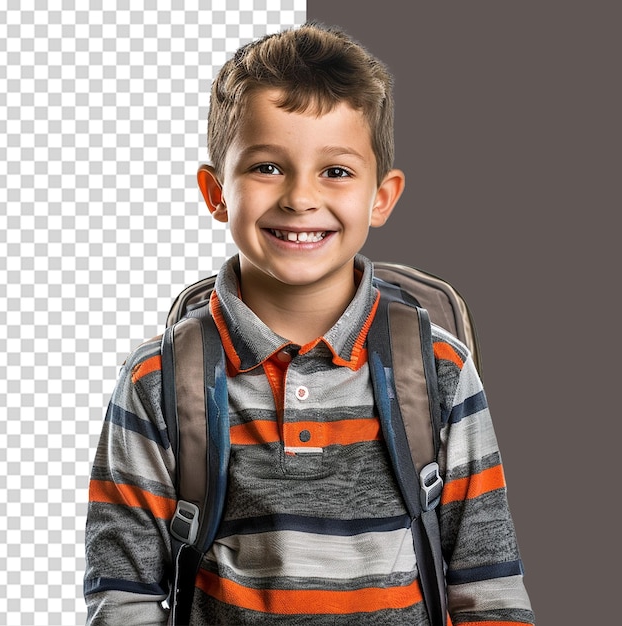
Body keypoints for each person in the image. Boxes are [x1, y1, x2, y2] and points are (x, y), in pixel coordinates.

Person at [84, 22, 534, 626]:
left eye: (337, 171)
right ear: (216, 192)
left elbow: (489, 591)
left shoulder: (439, 371)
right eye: (267, 167)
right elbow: (124, 598)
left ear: (382, 196)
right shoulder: (156, 382)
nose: (300, 197)